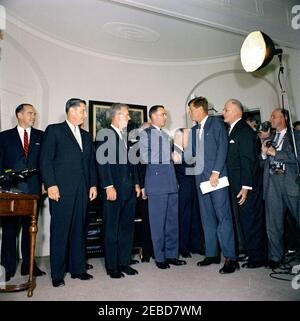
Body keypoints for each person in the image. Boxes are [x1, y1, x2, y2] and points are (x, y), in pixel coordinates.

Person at [40, 98, 97, 287]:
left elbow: (90, 164)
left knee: (79, 229)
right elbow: (45, 160)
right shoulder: (54, 130)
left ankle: (78, 269)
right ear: (71, 111)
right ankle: (57, 274)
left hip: (83, 189)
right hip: (61, 190)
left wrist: (93, 185)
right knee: (60, 230)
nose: (85, 114)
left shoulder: (87, 136)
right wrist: (51, 184)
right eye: (82, 110)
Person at [186, 97, 239, 274]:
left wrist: (216, 171)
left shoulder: (216, 124)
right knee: (206, 217)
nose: (189, 113)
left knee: (223, 217)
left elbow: (222, 148)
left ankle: (231, 258)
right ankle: (212, 254)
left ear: (201, 109)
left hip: (216, 178)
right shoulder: (193, 130)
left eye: (191, 109)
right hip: (200, 180)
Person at [0, 103, 46, 281]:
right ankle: (8, 268)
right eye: (29, 113)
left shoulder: (41, 136)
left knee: (30, 229)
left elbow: (44, 163)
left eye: (34, 114)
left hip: (34, 189)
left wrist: (45, 183)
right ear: (19, 115)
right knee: (10, 229)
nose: (33, 116)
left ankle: (29, 267)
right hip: (11, 190)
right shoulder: (4, 137)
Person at [96, 103, 140, 278]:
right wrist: (108, 186)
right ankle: (112, 266)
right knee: (111, 229)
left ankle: (124, 262)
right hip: (113, 190)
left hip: (129, 191)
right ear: (116, 116)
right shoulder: (104, 135)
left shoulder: (127, 136)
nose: (129, 118)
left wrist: (137, 183)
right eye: (126, 115)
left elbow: (133, 164)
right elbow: (102, 163)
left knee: (127, 229)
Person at [139, 105, 186, 269]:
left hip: (171, 182)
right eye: (162, 114)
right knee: (158, 223)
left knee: (172, 222)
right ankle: (160, 257)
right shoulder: (145, 134)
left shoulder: (166, 135)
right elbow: (145, 157)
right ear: (153, 116)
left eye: (165, 114)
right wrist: (170, 155)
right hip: (157, 183)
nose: (165, 117)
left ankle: (171, 255)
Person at [224, 99, 267, 268]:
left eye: (226, 109)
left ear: (235, 111)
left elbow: (247, 160)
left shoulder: (244, 131)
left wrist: (246, 187)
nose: (224, 112)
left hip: (245, 186)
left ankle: (258, 258)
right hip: (237, 185)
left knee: (251, 220)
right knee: (243, 220)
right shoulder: (233, 130)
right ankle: (251, 252)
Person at [261, 108, 300, 268]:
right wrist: (264, 154)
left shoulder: (295, 136)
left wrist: (274, 153)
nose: (271, 118)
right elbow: (263, 163)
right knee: (273, 223)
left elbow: (296, 157)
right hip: (272, 185)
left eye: (274, 116)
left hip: (291, 184)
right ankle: (275, 257)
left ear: (284, 118)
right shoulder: (270, 138)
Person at [173, 128, 204, 258]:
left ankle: (196, 246)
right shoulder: (175, 151)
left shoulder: (192, 150)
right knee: (184, 219)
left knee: (196, 217)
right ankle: (183, 248)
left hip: (194, 187)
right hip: (182, 189)